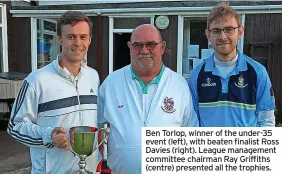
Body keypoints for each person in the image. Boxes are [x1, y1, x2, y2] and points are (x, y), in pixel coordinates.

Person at [98, 24, 199, 174]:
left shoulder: (179, 85)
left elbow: (191, 134)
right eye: (137, 45)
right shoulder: (112, 83)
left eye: (151, 44)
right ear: (130, 47)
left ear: (162, 47)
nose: (144, 51)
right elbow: (95, 126)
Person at [7, 11, 100, 173]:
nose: (78, 42)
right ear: (59, 39)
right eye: (71, 37)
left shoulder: (93, 76)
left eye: (83, 37)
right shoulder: (36, 80)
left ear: (90, 40)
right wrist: (48, 135)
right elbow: (15, 127)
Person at [188, 2, 275, 127]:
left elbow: (266, 121)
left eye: (229, 29)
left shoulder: (257, 72)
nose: (223, 37)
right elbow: (193, 121)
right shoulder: (197, 74)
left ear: (240, 32)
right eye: (216, 31)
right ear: (208, 34)